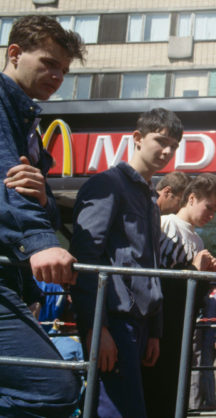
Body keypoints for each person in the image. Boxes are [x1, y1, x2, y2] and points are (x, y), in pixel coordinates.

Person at [70, 108, 183, 417]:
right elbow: (86, 258)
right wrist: (97, 328)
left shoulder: (150, 199)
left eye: (174, 145)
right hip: (114, 322)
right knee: (116, 411)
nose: (167, 151)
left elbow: (152, 266)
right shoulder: (107, 185)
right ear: (136, 138)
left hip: (141, 325)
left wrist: (155, 330)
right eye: (161, 140)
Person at [0, 14, 85, 416]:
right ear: (14, 53)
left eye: (64, 70)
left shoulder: (27, 120)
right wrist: (42, 244)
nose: (57, 76)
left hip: (12, 280)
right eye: (49, 63)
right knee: (54, 388)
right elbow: (6, 180)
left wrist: (45, 208)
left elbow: (43, 203)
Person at [145, 172, 216, 416]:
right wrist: (194, 269)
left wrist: (204, 276)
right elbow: (158, 278)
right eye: (209, 207)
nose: (211, 215)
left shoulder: (197, 240)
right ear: (191, 198)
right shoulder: (166, 224)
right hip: (161, 325)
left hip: (180, 325)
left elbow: (192, 292)